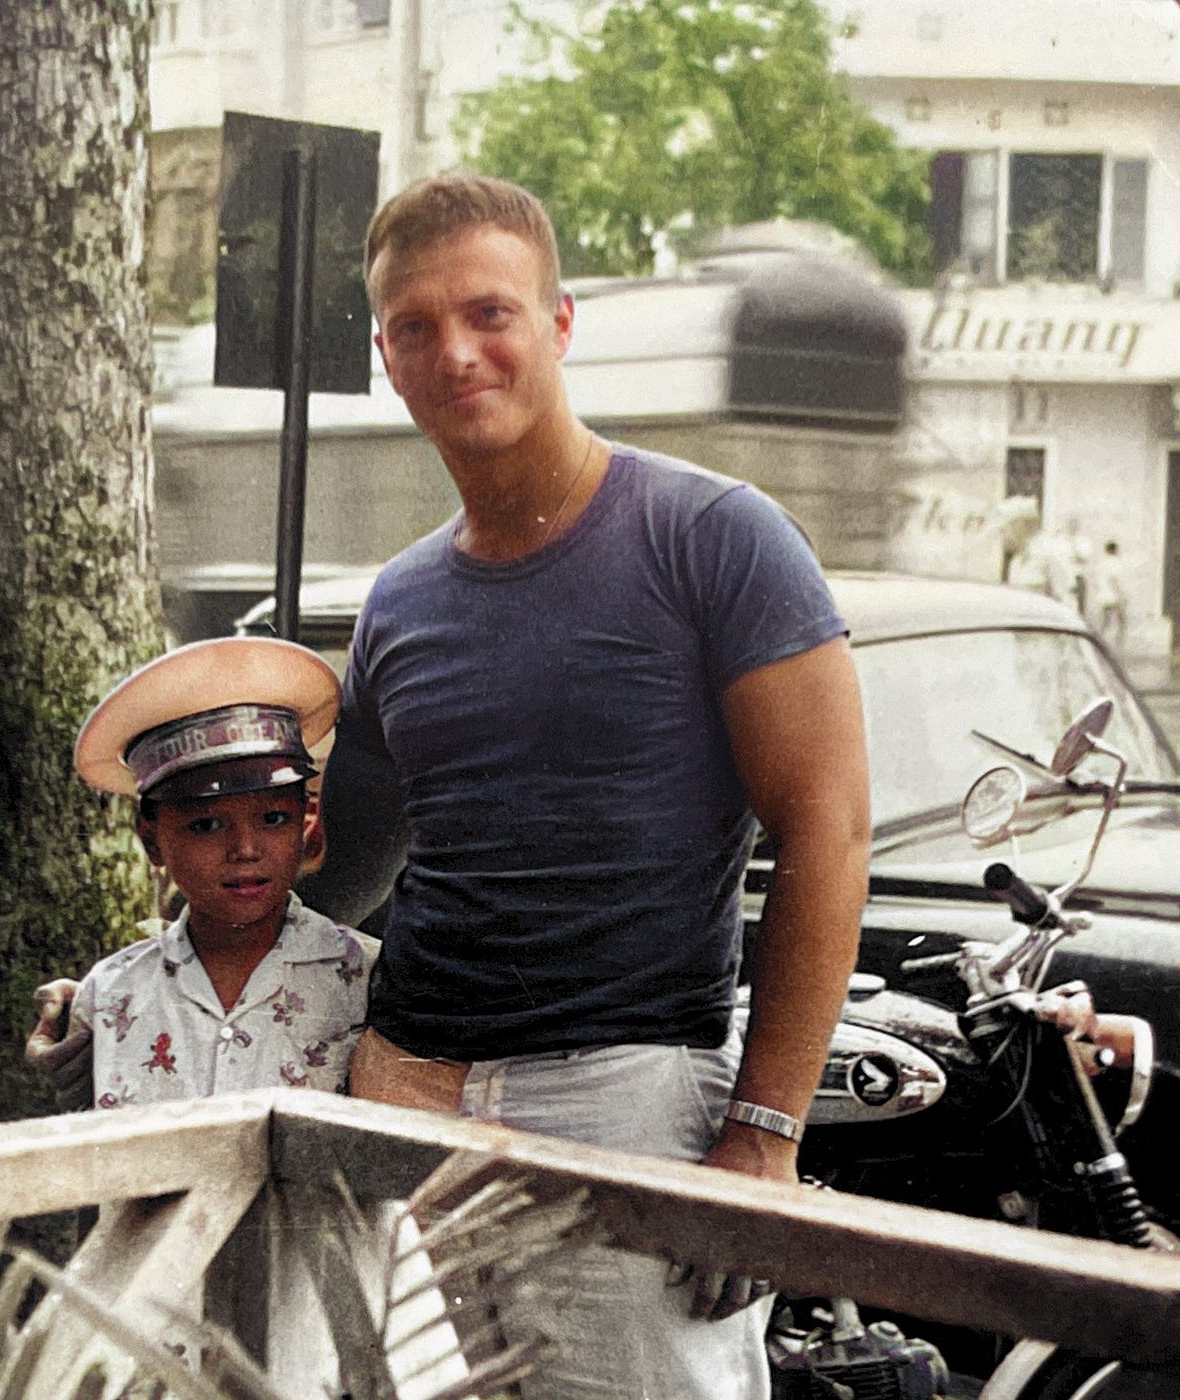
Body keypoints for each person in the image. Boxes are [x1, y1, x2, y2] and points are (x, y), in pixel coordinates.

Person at [299, 173, 871, 1400]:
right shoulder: (397, 601)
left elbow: (825, 825)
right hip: (407, 1108)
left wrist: (764, 1134)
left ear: (558, 323)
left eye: (489, 313)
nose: (456, 351)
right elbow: (334, 871)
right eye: (414, 326)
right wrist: (153, 973)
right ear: (386, 358)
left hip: (627, 1107)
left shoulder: (716, 537)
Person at [29, 636, 376, 1112]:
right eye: (207, 825)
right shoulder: (110, 994)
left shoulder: (369, 981)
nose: (246, 850)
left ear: (306, 822)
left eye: (274, 818)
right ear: (152, 840)